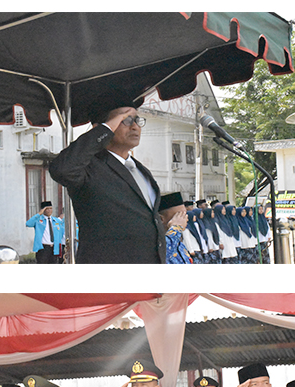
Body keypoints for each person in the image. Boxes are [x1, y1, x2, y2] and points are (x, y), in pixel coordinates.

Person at [48, 97, 166, 263]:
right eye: (125, 120)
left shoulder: (141, 170)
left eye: (137, 120)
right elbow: (61, 169)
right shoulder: (89, 167)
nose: (135, 126)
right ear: (100, 129)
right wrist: (105, 129)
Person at [158, 192, 192, 264]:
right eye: (179, 215)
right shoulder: (154, 242)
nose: (184, 219)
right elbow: (163, 253)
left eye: (185, 214)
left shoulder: (178, 241)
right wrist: (176, 228)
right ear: (161, 219)